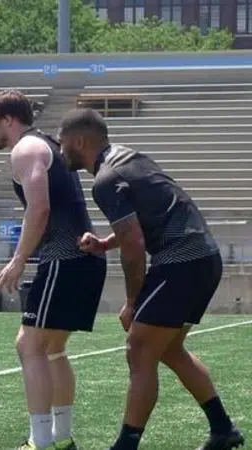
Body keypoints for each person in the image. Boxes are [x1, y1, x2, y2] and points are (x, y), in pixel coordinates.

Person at [57, 108, 245, 450]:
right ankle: (222, 428)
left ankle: (126, 445)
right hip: (204, 258)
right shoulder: (129, 158)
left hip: (181, 263)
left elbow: (134, 245)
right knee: (169, 349)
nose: (60, 150)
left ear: (79, 141)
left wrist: (133, 301)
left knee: (139, 349)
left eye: (62, 142)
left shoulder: (105, 179)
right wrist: (104, 243)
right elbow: (146, 219)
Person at [0, 90, 107, 450]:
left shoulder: (26, 149)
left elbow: (39, 209)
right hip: (85, 259)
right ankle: (62, 438)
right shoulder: (47, 144)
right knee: (52, 348)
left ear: (9, 120)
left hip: (65, 259)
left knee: (29, 345)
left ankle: (39, 441)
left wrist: (18, 259)